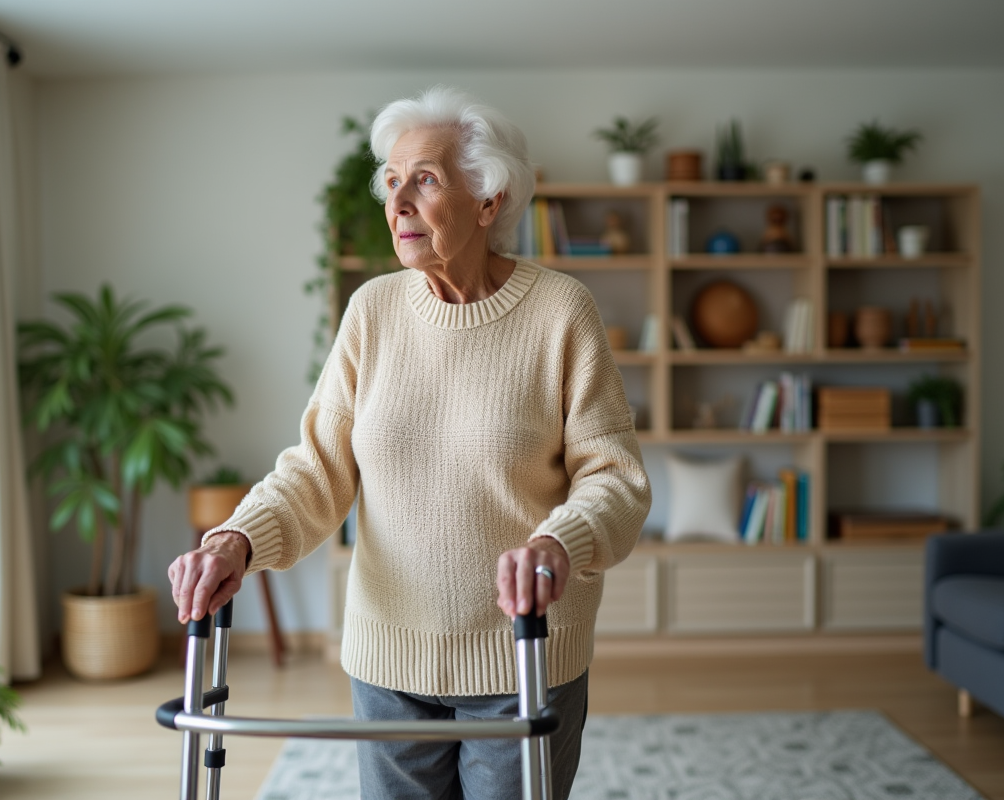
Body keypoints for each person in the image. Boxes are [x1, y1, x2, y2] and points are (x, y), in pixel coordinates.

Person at [168, 86, 652, 798]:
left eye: (424, 180)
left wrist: (561, 542)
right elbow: (317, 469)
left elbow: (614, 478)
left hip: (521, 655)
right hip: (389, 664)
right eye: (391, 181)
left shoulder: (560, 311)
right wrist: (237, 538)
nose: (396, 202)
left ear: (488, 201)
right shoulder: (372, 312)